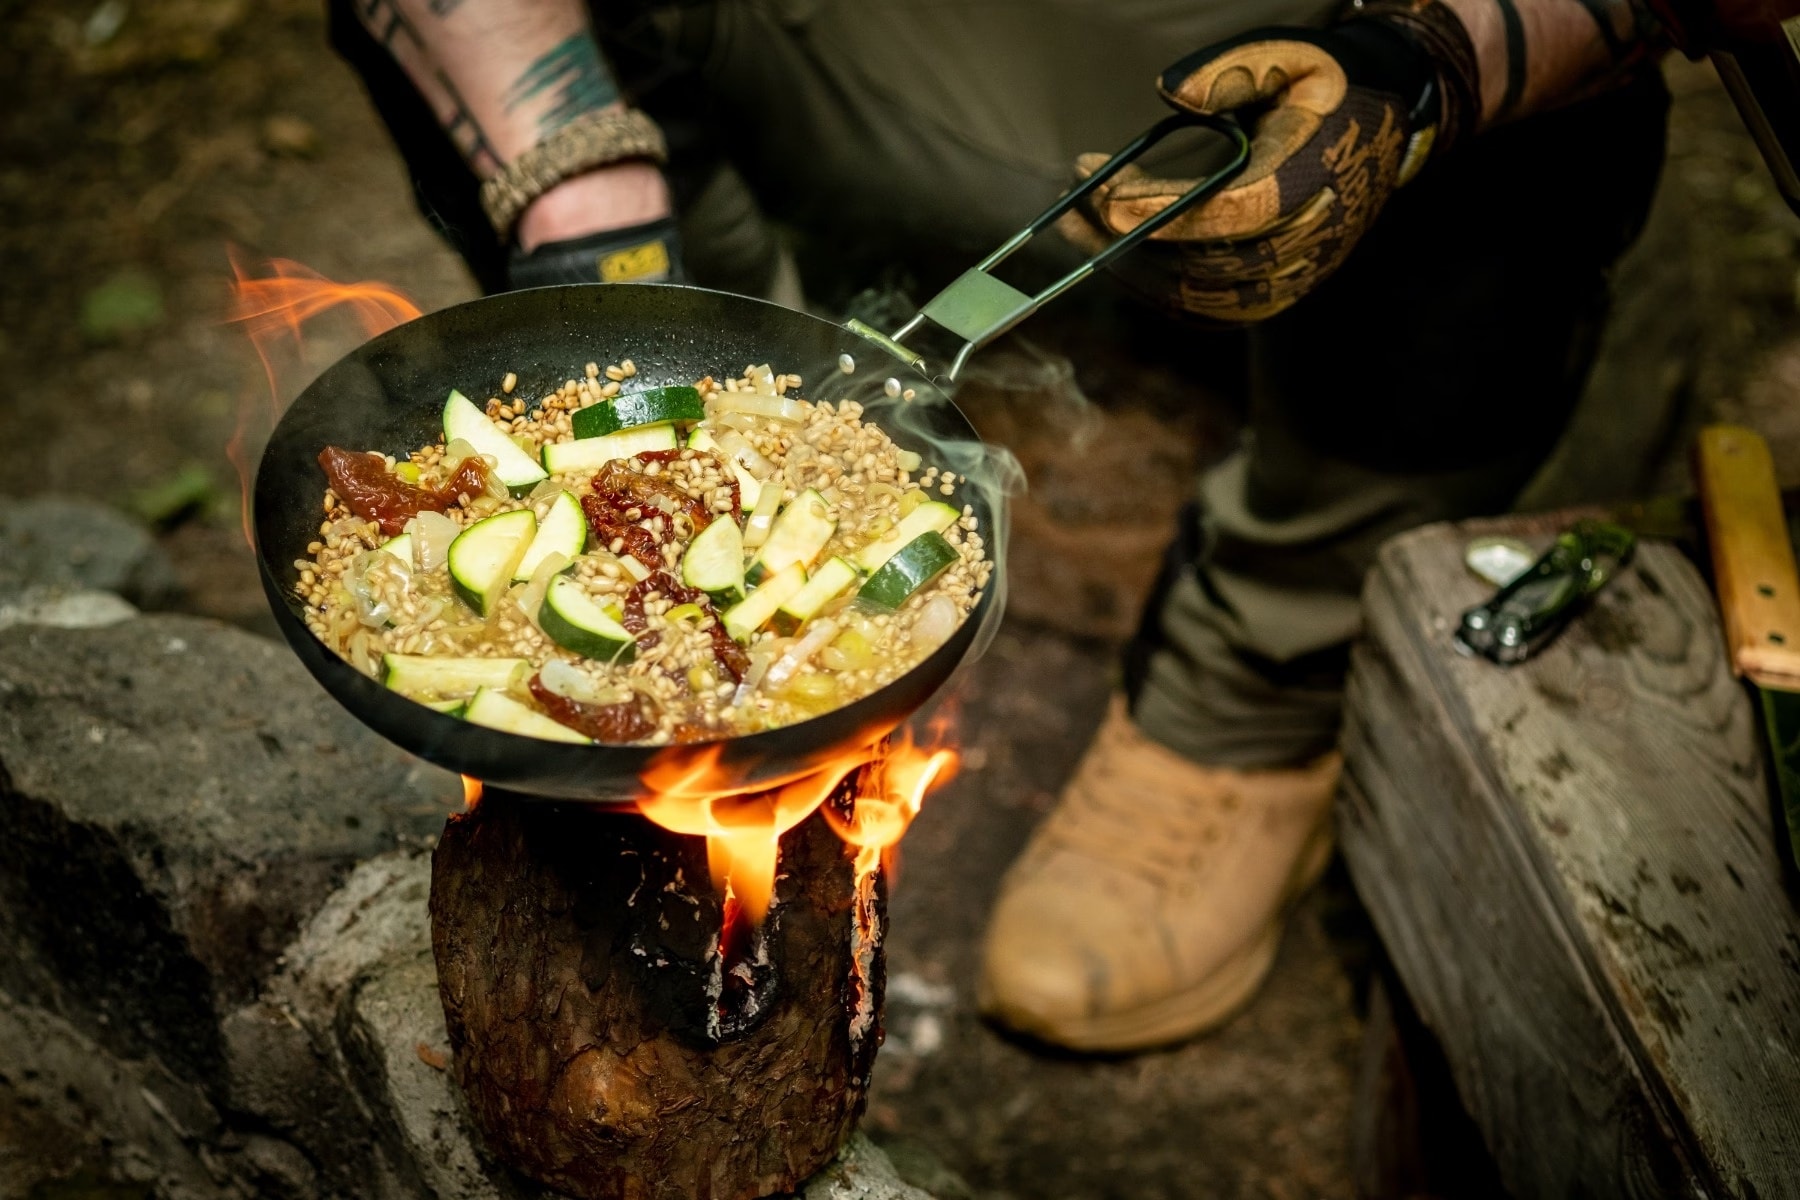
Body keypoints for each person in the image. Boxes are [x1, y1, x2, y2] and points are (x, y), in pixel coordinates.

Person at [332, 0, 1678, 1051]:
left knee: (1545, 136)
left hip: (1285, 47)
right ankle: (765, 343)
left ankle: (1256, 679)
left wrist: (1422, 63)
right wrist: (580, 196)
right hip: (844, 43)